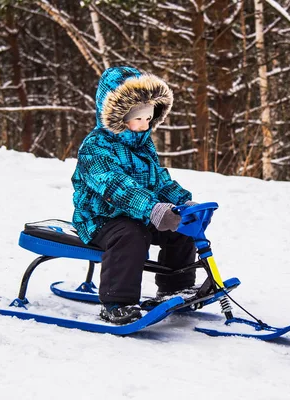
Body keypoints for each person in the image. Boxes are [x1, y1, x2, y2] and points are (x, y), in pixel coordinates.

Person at [71, 66, 198, 325]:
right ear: (118, 116)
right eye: (138, 118)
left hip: (139, 212)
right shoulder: (94, 147)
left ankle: (175, 286)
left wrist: (183, 203)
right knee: (131, 234)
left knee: (182, 226)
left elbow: (159, 181)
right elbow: (117, 188)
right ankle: (117, 301)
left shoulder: (143, 145)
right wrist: (152, 208)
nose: (144, 125)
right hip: (99, 219)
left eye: (149, 119)